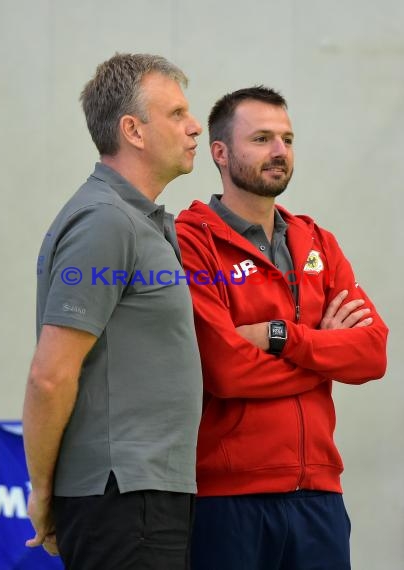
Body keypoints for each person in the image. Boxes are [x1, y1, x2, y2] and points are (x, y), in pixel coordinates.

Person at [176, 86, 388, 570]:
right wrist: (325, 352)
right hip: (228, 500)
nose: (279, 152)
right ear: (220, 153)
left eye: (288, 139)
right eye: (263, 138)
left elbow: (373, 354)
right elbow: (225, 369)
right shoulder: (192, 242)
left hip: (320, 497)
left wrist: (280, 336)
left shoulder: (318, 241)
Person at [22, 52, 203, 570]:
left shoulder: (134, 220)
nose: (194, 127)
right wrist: (42, 492)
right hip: (123, 498)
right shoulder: (107, 221)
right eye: (176, 114)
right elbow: (50, 376)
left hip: (144, 494)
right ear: (133, 130)